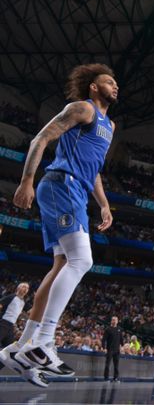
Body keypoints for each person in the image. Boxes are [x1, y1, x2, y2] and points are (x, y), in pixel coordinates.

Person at [0, 64, 116, 388]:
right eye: (109, 81)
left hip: (75, 189)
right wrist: (26, 180)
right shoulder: (82, 108)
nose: (115, 86)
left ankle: (21, 347)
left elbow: (93, 170)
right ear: (93, 87)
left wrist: (104, 204)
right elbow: (43, 136)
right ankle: (43, 342)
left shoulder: (110, 125)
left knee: (62, 264)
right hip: (61, 184)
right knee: (83, 260)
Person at [0, 283, 30, 348]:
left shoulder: (23, 302)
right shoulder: (12, 297)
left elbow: (30, 312)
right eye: (24, 287)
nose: (26, 289)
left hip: (11, 326)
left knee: (8, 348)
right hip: (3, 323)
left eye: (27, 288)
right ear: (18, 288)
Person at [103, 316, 122, 382]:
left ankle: (115, 378)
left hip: (117, 350)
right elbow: (103, 340)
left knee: (116, 365)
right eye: (113, 320)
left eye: (115, 320)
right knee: (107, 364)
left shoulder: (119, 329)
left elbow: (121, 339)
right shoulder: (108, 329)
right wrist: (104, 348)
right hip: (109, 349)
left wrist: (121, 347)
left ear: (117, 321)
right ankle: (106, 378)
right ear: (111, 321)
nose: (114, 321)